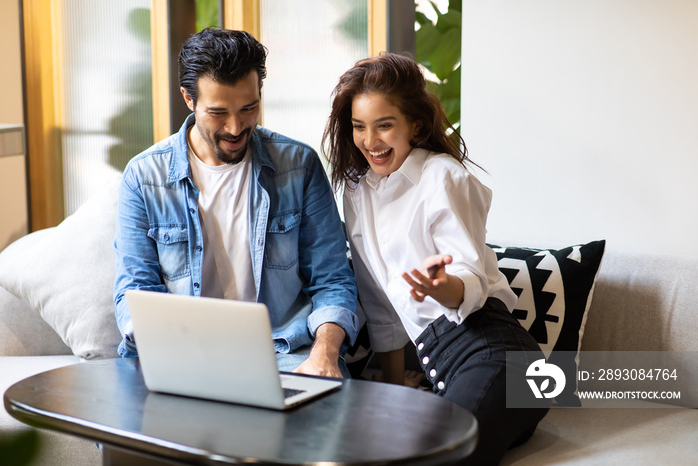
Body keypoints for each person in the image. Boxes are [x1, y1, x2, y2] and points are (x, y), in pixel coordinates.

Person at [322, 53, 549, 465]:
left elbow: (469, 272)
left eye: (384, 125)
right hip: (450, 373)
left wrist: (443, 287)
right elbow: (381, 305)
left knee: (437, 455)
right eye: (359, 127)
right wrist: (394, 385)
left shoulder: (443, 176)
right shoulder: (358, 191)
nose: (370, 140)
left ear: (416, 125)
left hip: (505, 359)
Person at [113, 28, 359, 378]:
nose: (235, 127)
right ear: (189, 99)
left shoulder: (298, 166)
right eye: (217, 112)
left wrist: (325, 355)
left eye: (249, 108)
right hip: (180, 352)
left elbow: (332, 280)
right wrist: (164, 351)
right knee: (120, 428)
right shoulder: (144, 176)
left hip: (283, 350)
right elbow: (134, 289)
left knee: (325, 421)